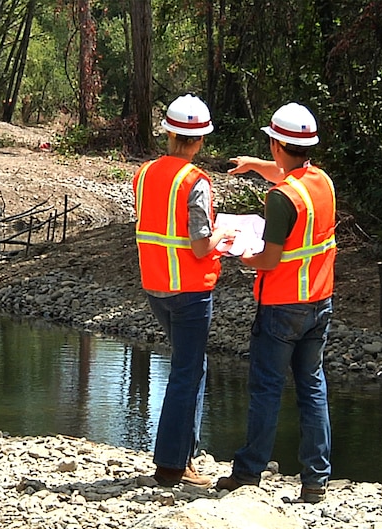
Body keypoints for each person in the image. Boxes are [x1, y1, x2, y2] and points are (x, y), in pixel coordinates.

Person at [215, 102, 336, 504]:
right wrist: (255, 164)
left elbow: (269, 258)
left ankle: (249, 472)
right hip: (320, 302)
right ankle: (316, 478)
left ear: (277, 144)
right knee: (312, 387)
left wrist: (238, 252)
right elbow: (293, 178)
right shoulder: (322, 182)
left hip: (283, 305)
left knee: (267, 388)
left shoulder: (281, 198)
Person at [133, 94, 236, 488]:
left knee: (191, 367)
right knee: (185, 372)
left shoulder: (144, 173)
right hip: (189, 290)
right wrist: (224, 233)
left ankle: (183, 455)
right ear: (200, 140)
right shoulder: (195, 181)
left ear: (170, 134)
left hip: (155, 285)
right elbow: (199, 244)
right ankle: (172, 465)